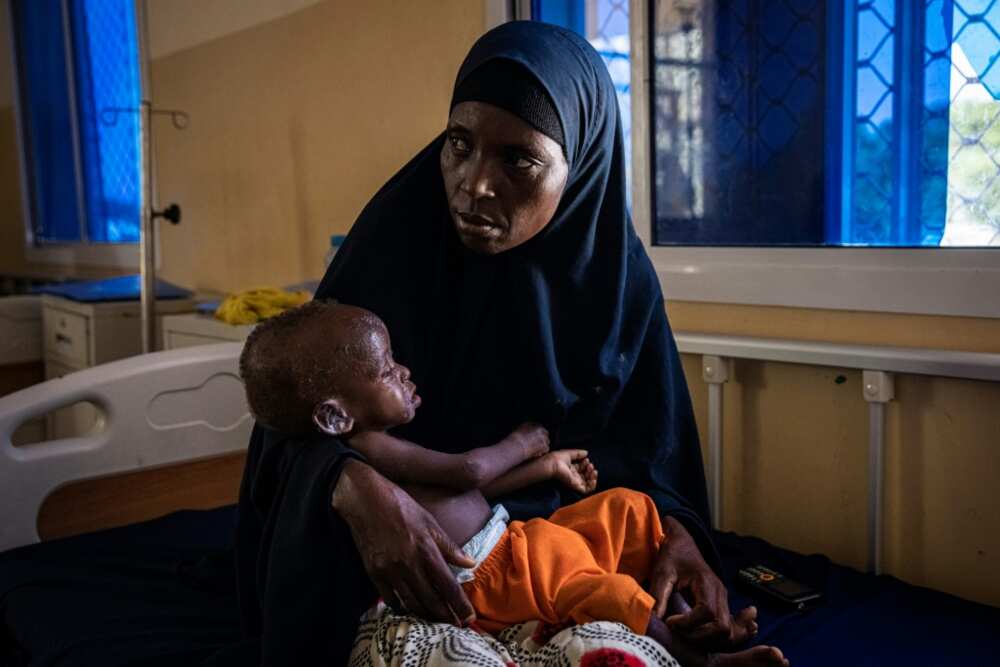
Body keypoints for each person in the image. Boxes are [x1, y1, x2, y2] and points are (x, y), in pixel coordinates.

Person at [230, 20, 743, 666]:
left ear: (579, 165)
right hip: (415, 568)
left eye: (518, 159)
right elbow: (292, 419)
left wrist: (682, 536)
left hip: (546, 551)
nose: (473, 184)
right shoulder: (395, 241)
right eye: (459, 144)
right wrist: (352, 486)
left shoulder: (618, 284)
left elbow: (652, 461)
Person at [238, 301, 787, 667]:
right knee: (603, 592)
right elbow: (469, 473)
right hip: (493, 579)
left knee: (628, 507)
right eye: (386, 371)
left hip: (514, 538)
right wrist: (525, 445)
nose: (404, 371)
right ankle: (701, 658)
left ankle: (684, 618)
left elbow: (469, 498)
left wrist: (546, 472)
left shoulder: (378, 439)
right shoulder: (373, 448)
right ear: (334, 418)